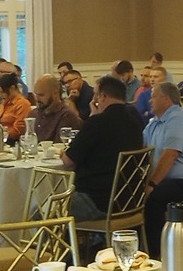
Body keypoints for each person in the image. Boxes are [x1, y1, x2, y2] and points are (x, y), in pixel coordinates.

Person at [62, 75, 145, 223]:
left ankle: (70, 246)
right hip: (131, 199)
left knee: (40, 211)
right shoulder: (135, 120)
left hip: (98, 202)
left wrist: (93, 118)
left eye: (95, 94)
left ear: (103, 96)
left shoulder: (97, 123)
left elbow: (68, 161)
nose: (93, 99)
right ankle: (90, 242)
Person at [141, 82, 183, 254]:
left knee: (153, 198)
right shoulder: (156, 122)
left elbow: (170, 155)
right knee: (130, 194)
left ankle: (157, 253)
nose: (150, 101)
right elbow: (141, 148)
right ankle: (141, 246)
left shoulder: (177, 120)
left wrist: (151, 184)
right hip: (168, 179)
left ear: (167, 99)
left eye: (153, 96)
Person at [30, 74, 81, 142]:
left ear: (55, 92)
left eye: (41, 95)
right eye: (35, 94)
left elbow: (60, 147)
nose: (36, 99)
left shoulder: (66, 116)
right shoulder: (34, 114)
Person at [0, 72, 32, 143]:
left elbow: (19, 129)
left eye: (2, 92)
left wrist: (1, 135)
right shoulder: (5, 103)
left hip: (14, 140)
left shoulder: (22, 104)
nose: (1, 95)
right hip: (3, 137)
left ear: (12, 88)